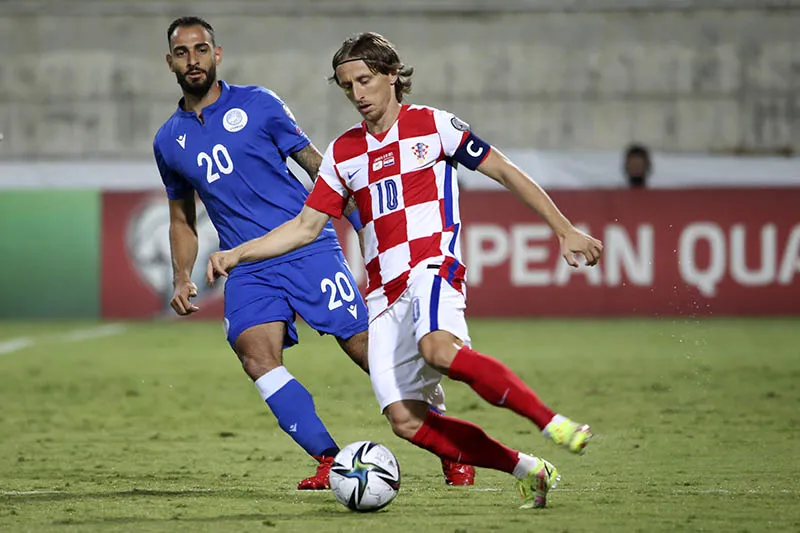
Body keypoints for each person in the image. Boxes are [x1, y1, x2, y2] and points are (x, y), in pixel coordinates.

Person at [206, 32, 602, 509]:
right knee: (406, 420)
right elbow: (307, 226)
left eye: (365, 80)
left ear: (393, 75)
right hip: (382, 296)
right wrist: (236, 254)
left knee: (439, 350)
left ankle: (553, 423)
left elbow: (505, 171)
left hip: (431, 268)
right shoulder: (342, 152)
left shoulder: (434, 126)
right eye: (347, 85)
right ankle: (529, 468)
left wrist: (563, 229)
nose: (358, 94)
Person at [153, 19, 473, 490]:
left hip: (307, 247)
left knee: (369, 352)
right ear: (170, 62)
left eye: (201, 49)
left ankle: (452, 446)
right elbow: (181, 218)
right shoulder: (168, 140)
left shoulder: (259, 104)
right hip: (248, 263)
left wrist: (368, 224)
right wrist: (182, 276)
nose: (193, 59)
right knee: (256, 357)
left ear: (217, 54)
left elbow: (321, 169)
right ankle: (329, 459)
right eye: (183, 53)